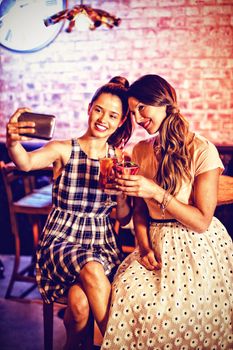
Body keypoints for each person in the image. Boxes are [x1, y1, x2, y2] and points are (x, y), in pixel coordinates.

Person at [101, 74, 233, 349]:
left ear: (163, 103)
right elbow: (138, 211)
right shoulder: (140, 150)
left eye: (142, 108)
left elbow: (201, 221)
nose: (136, 118)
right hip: (153, 243)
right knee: (126, 295)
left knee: (174, 315)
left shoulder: (202, 150)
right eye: (132, 111)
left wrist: (155, 191)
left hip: (196, 247)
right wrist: (144, 246)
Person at [6, 76, 133, 350]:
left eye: (113, 115)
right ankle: (121, 346)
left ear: (121, 121)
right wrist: (13, 142)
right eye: (98, 110)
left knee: (78, 306)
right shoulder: (63, 149)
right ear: (89, 108)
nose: (103, 119)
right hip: (62, 241)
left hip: (102, 243)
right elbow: (26, 163)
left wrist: (121, 193)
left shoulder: (120, 159)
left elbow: (123, 217)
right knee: (91, 266)